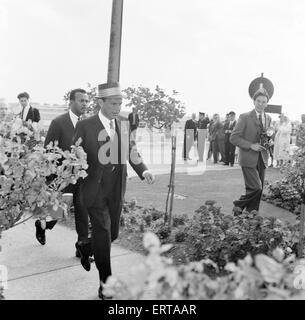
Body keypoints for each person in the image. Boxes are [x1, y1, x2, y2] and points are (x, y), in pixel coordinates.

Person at [73, 82, 155, 300]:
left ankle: (85, 246)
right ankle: (105, 285)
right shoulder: (85, 125)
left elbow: (131, 150)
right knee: (102, 232)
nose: (118, 107)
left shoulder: (124, 123)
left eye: (120, 103)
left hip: (116, 188)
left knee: (113, 233)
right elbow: (74, 158)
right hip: (94, 190)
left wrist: (143, 170)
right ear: (101, 102)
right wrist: (71, 186)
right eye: (113, 103)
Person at [39, 89, 91, 259]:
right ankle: (42, 225)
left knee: (83, 213)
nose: (85, 104)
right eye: (81, 100)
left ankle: (82, 248)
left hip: (82, 179)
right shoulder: (58, 123)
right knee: (57, 215)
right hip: (63, 179)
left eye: (87, 101)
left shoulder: (89, 124)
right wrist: (52, 181)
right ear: (71, 102)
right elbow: (48, 152)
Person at [230, 88, 272, 212]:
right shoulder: (244, 117)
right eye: (258, 101)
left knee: (256, 190)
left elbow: (267, 135)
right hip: (248, 157)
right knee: (256, 187)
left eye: (264, 102)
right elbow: (234, 138)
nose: (261, 104)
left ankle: (251, 216)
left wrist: (270, 142)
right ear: (254, 101)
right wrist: (251, 145)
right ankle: (238, 205)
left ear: (267, 103)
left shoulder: (268, 118)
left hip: (263, 158)